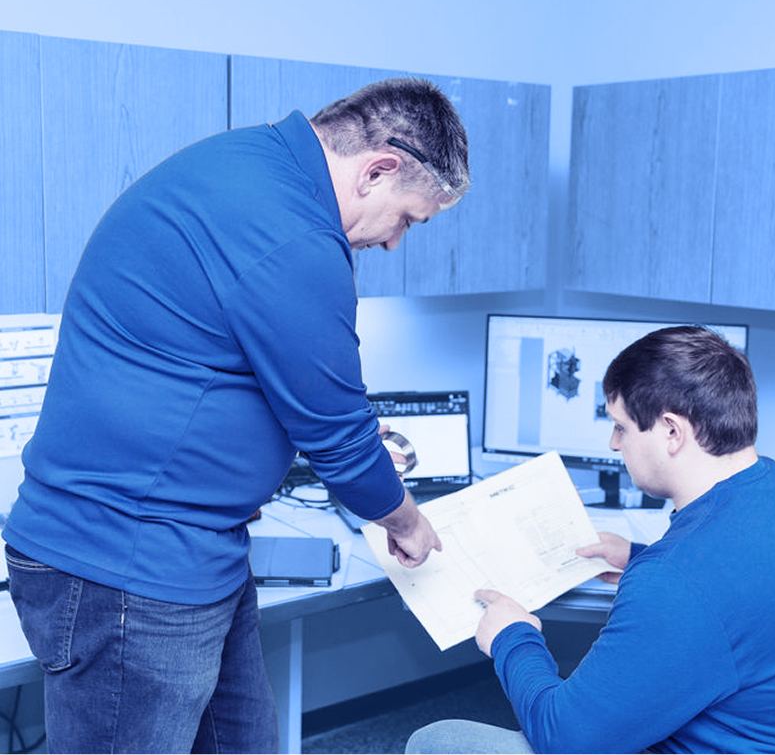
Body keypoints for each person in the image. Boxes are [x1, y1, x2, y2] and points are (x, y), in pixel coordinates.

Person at [2, 77, 470, 754]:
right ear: (378, 169)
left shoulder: (251, 167)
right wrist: (405, 517)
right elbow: (337, 433)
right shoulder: (291, 233)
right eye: (409, 219)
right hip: (128, 564)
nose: (397, 243)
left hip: (193, 552)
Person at [407, 325, 775, 754]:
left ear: (672, 431)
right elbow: (737, 586)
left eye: (621, 427)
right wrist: (637, 557)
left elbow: (565, 740)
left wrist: (513, 637)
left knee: (437, 742)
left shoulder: (677, 580)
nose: (614, 444)